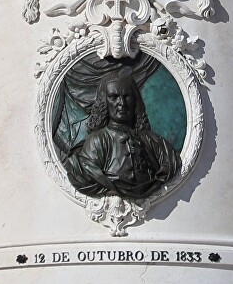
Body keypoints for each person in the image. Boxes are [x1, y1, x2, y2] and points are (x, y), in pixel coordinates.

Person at [63, 69, 180, 201]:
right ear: (104, 102)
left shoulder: (152, 141)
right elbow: (87, 176)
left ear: (135, 100)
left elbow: (170, 164)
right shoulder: (97, 141)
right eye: (114, 97)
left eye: (127, 96)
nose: (122, 103)